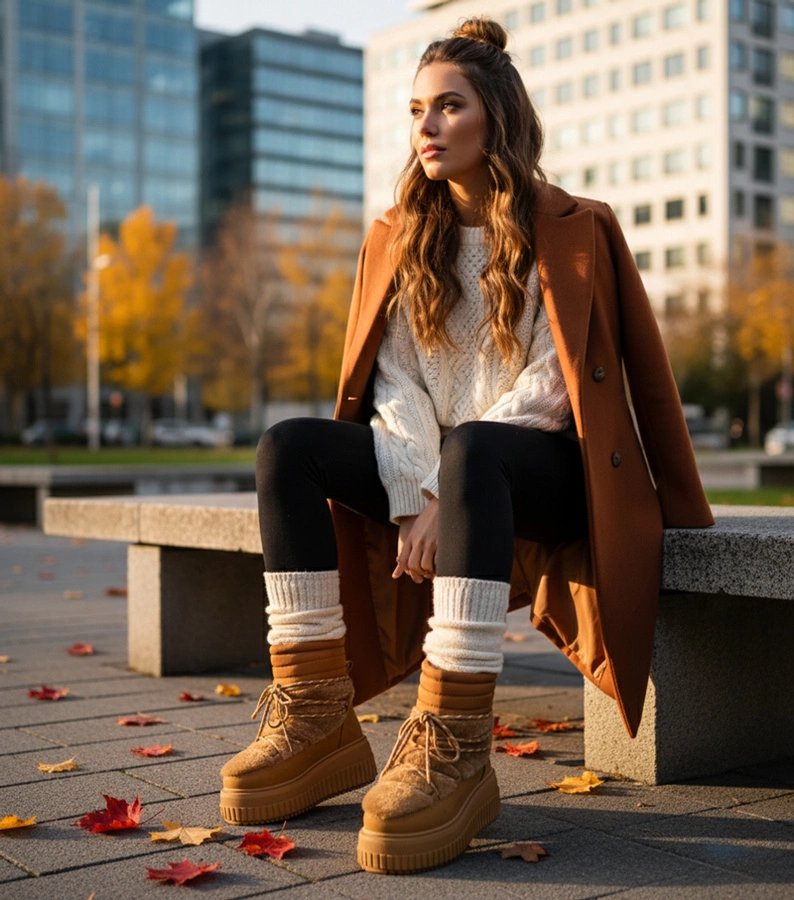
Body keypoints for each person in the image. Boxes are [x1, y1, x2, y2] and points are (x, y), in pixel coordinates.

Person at [218, 17, 714, 875]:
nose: (428, 126)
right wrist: (416, 489)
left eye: (449, 106)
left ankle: (454, 741)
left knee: (479, 445)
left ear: (498, 121)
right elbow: (391, 381)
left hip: (541, 468)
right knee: (287, 446)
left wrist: (447, 491)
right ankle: (313, 710)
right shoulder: (399, 236)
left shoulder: (572, 226)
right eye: (418, 109)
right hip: (441, 467)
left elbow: (559, 386)